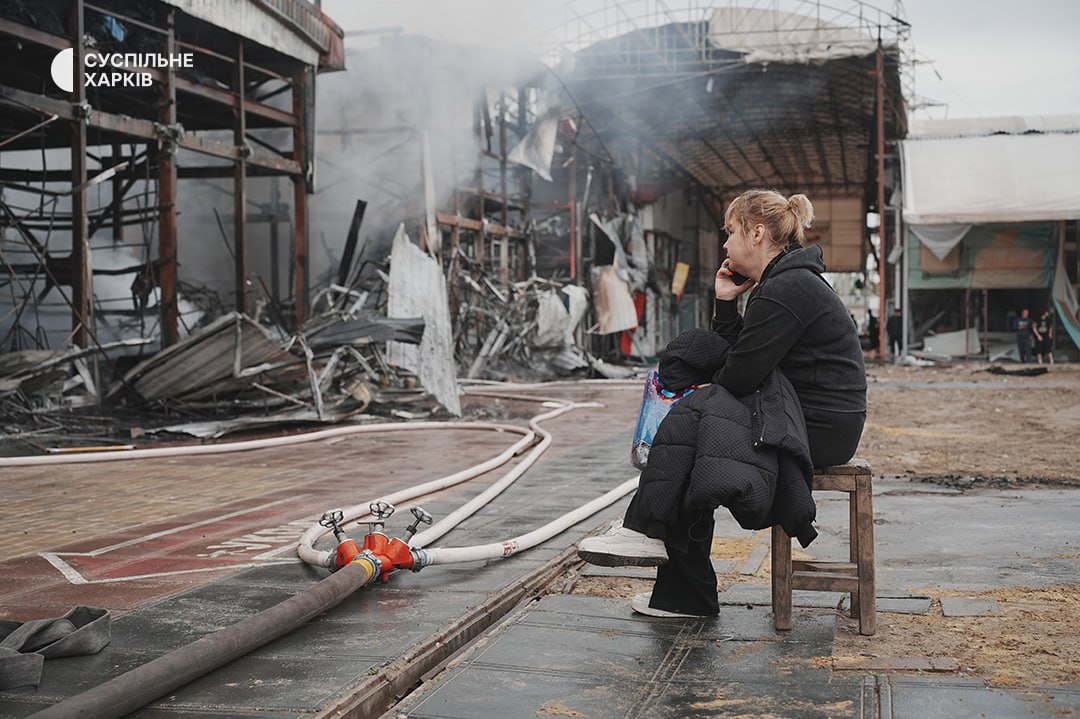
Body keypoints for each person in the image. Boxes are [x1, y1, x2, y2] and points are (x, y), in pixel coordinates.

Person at [578, 189, 867, 618]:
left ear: (757, 232)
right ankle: (683, 596)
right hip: (804, 414)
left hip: (820, 426)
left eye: (731, 233)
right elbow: (743, 361)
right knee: (700, 430)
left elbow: (737, 377)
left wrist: (706, 383)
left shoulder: (786, 289)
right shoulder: (782, 283)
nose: (726, 245)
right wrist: (726, 303)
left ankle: (646, 530)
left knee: (696, 412)